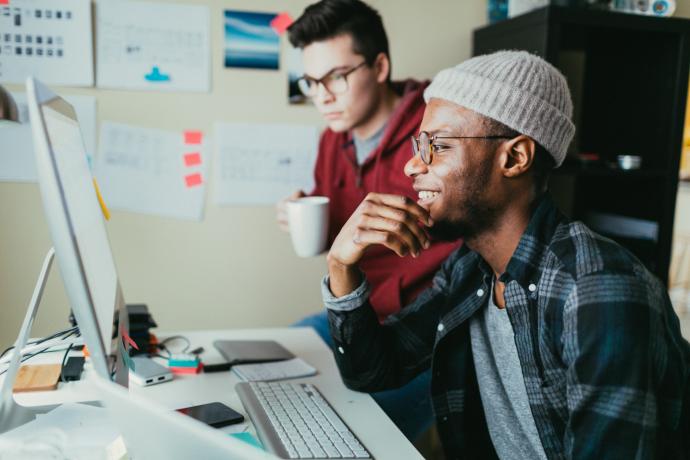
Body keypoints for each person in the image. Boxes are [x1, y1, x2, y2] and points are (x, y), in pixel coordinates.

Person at [322, 50, 690, 459]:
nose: (411, 166)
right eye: (418, 144)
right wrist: (341, 265)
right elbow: (372, 371)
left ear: (514, 157)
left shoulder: (598, 290)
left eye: (438, 146)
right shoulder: (469, 268)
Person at [275, 0, 460, 442]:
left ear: (379, 66)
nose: (323, 95)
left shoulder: (435, 126)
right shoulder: (330, 142)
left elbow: (470, 222)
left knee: (342, 431)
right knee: (270, 370)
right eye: (312, 81)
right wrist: (306, 215)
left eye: (337, 77)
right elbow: (340, 235)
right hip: (356, 313)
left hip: (423, 325)